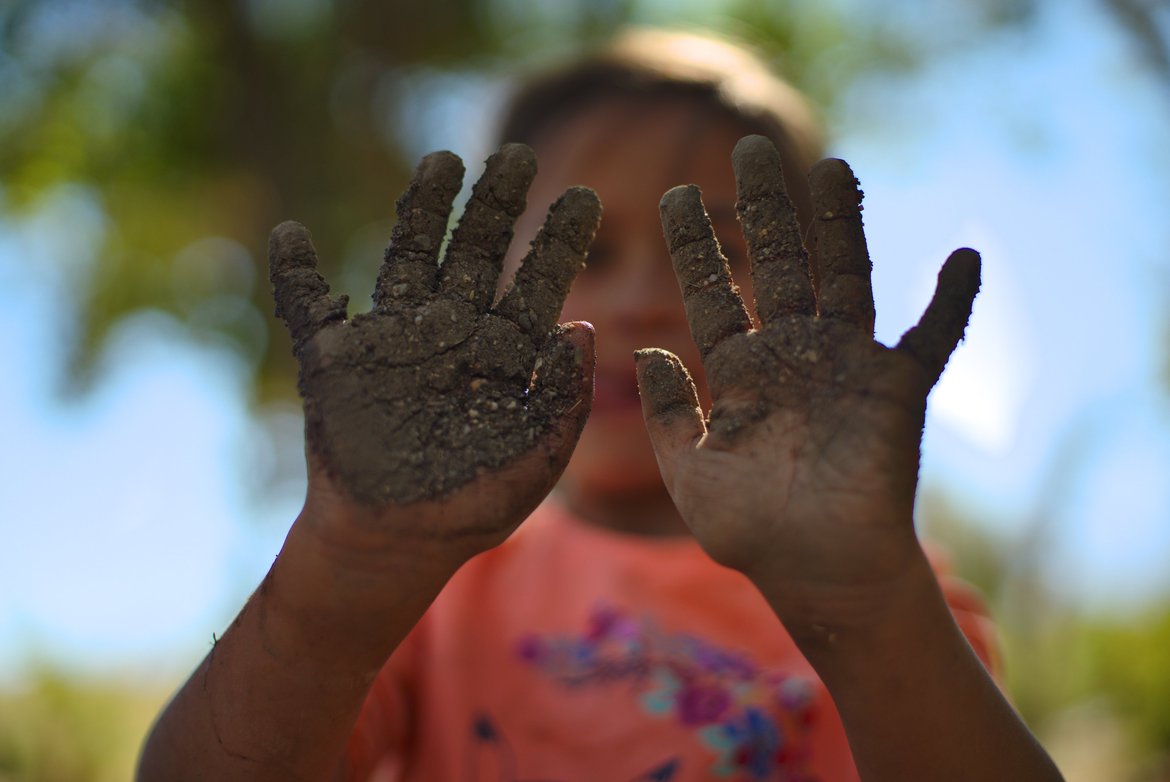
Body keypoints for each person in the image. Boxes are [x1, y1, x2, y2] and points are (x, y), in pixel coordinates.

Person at [137, 29, 1064, 782]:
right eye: (584, 255)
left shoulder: (888, 593)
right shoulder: (438, 589)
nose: (639, 304)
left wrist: (867, 604)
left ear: (809, 291)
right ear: (494, 288)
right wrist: (344, 568)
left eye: (713, 253)